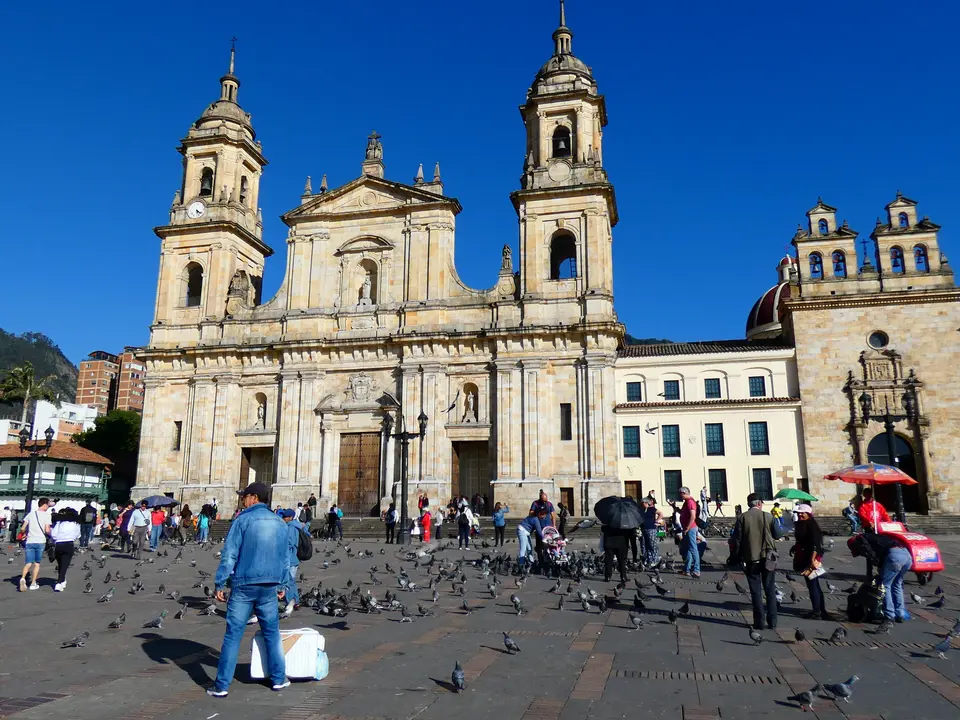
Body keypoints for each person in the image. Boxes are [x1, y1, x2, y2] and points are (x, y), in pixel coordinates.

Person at [209, 482, 290, 697]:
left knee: (233, 636)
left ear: (253, 497)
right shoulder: (280, 523)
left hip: (244, 585)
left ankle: (222, 686)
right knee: (272, 633)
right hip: (269, 587)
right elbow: (285, 558)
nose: (242, 500)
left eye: (244, 496)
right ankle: (279, 679)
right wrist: (282, 584)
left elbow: (229, 555)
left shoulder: (242, 520)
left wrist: (220, 582)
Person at [732, 493, 784, 630]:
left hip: (751, 558)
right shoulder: (768, 516)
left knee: (756, 592)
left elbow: (737, 540)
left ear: (748, 504)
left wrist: (736, 557)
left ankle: (759, 622)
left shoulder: (742, 517)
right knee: (770, 590)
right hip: (768, 558)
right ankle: (773, 621)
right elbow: (778, 534)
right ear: (760, 503)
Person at [849, 532, 912, 626]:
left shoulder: (861, 540)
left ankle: (889, 615)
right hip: (906, 554)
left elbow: (870, 555)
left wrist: (872, 574)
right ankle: (900, 614)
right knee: (897, 584)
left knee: (885, 585)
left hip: (894, 556)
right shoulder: (873, 537)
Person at [791, 504, 830, 620]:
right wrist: (795, 547)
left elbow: (815, 545)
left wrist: (812, 560)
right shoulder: (804, 524)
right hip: (806, 558)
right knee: (814, 585)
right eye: (798, 513)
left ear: (808, 514)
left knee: (813, 585)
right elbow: (803, 541)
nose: (800, 515)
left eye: (802, 513)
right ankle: (820, 609)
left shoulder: (811, 526)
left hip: (810, 560)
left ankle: (817, 611)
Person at [19, 497, 52, 592]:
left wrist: (24, 534)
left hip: (30, 541)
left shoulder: (31, 514)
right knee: (37, 564)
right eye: (48, 505)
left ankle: (22, 578)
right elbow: (47, 530)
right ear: (45, 505)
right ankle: (33, 583)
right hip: (40, 541)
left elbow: (23, 528)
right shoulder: (47, 515)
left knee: (28, 562)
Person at [51, 507, 81, 592]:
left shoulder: (59, 522)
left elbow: (54, 535)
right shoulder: (76, 523)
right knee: (65, 565)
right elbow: (78, 535)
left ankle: (62, 580)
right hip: (69, 544)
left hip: (59, 544)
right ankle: (59, 582)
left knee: (60, 564)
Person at [279, 509, 303, 616]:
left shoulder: (291, 528)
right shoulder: (295, 526)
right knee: (291, 581)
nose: (283, 518)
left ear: (290, 517)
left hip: (289, 559)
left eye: (285, 517)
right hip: (293, 558)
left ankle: (291, 602)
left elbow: (289, 543)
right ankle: (295, 601)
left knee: (288, 581)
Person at [677, 487, 701, 578]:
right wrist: (673, 507)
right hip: (686, 528)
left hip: (690, 529)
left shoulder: (690, 502)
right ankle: (686, 570)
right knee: (688, 549)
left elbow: (692, 516)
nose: (680, 495)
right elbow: (683, 513)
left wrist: (687, 527)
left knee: (693, 549)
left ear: (684, 493)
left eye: (680, 494)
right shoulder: (686, 502)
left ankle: (697, 571)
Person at [640, 497, 663, 566]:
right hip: (643, 529)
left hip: (651, 528)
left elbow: (660, 514)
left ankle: (655, 559)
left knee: (652, 544)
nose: (642, 504)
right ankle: (649, 559)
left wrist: (656, 520)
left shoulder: (652, 509)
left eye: (643, 503)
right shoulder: (642, 510)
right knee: (646, 545)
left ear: (646, 503)